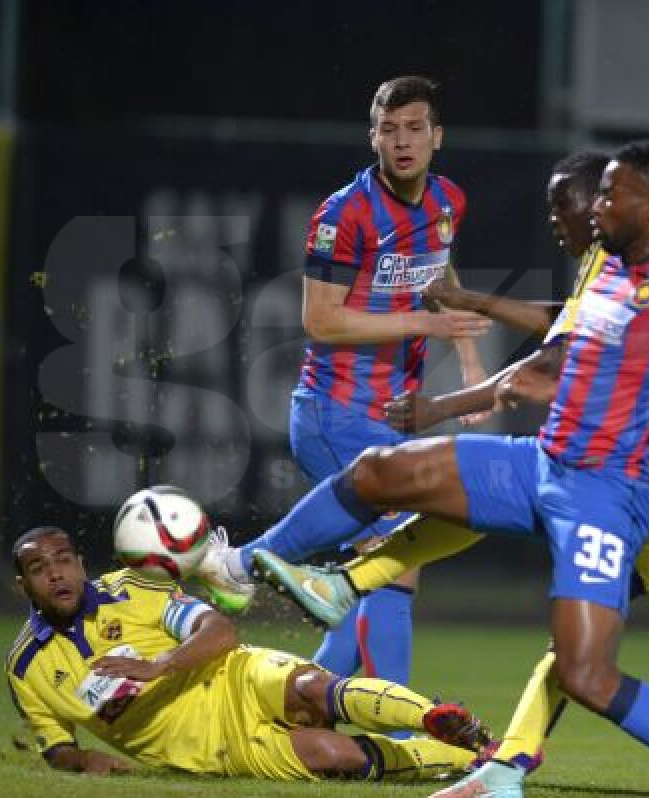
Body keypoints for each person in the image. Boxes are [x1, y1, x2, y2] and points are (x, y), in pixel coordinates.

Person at [214, 140, 649, 798]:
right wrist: (472, 393)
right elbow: (555, 353)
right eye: (598, 192)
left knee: (586, 675)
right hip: (540, 464)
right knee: (379, 472)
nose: (597, 206)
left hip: (606, 494)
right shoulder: (607, 269)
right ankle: (246, 566)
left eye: (612, 194)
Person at [199, 75, 491, 694]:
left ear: (437, 137)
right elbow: (321, 321)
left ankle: (304, 700)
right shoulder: (344, 213)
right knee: (395, 563)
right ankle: (394, 722)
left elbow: (440, 277)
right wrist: (423, 322)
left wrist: (469, 364)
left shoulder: (447, 202)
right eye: (390, 130)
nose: (403, 141)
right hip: (334, 414)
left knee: (370, 576)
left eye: (415, 128)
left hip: (390, 419)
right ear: (373, 137)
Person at [6, 526, 490, 781]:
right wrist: (82, 760)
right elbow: (56, 746)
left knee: (313, 687)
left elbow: (219, 629)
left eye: (63, 560)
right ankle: (461, 760)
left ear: (81, 563)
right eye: (39, 568)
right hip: (208, 747)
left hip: (235, 677)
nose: (56, 574)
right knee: (334, 754)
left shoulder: (132, 588)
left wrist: (160, 665)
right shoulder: (26, 668)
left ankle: (442, 720)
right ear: (22, 584)